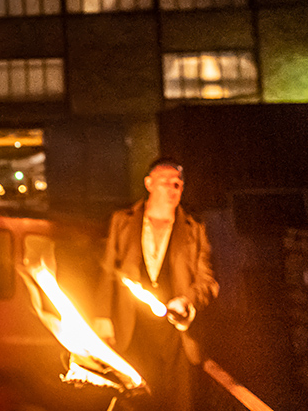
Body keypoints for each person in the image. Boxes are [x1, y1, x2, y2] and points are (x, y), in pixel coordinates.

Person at [92, 158, 219, 411]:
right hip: (132, 331)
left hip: (176, 337)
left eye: (178, 184)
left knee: (179, 403)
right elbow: (108, 272)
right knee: (137, 402)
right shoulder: (123, 221)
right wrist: (102, 316)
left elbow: (207, 280)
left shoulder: (194, 228)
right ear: (149, 184)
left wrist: (188, 301)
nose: (173, 190)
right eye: (166, 183)